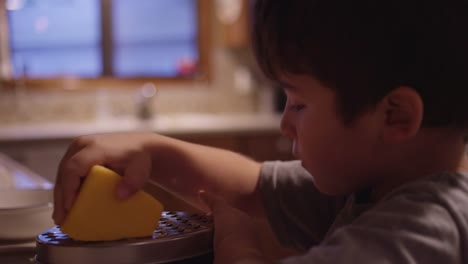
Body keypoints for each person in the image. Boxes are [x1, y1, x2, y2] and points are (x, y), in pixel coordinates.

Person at [53, 0, 468, 263]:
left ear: (394, 116)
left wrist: (238, 245)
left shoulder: (422, 232)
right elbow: (250, 186)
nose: (285, 122)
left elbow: (244, 206)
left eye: (299, 104)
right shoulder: (370, 186)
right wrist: (146, 150)